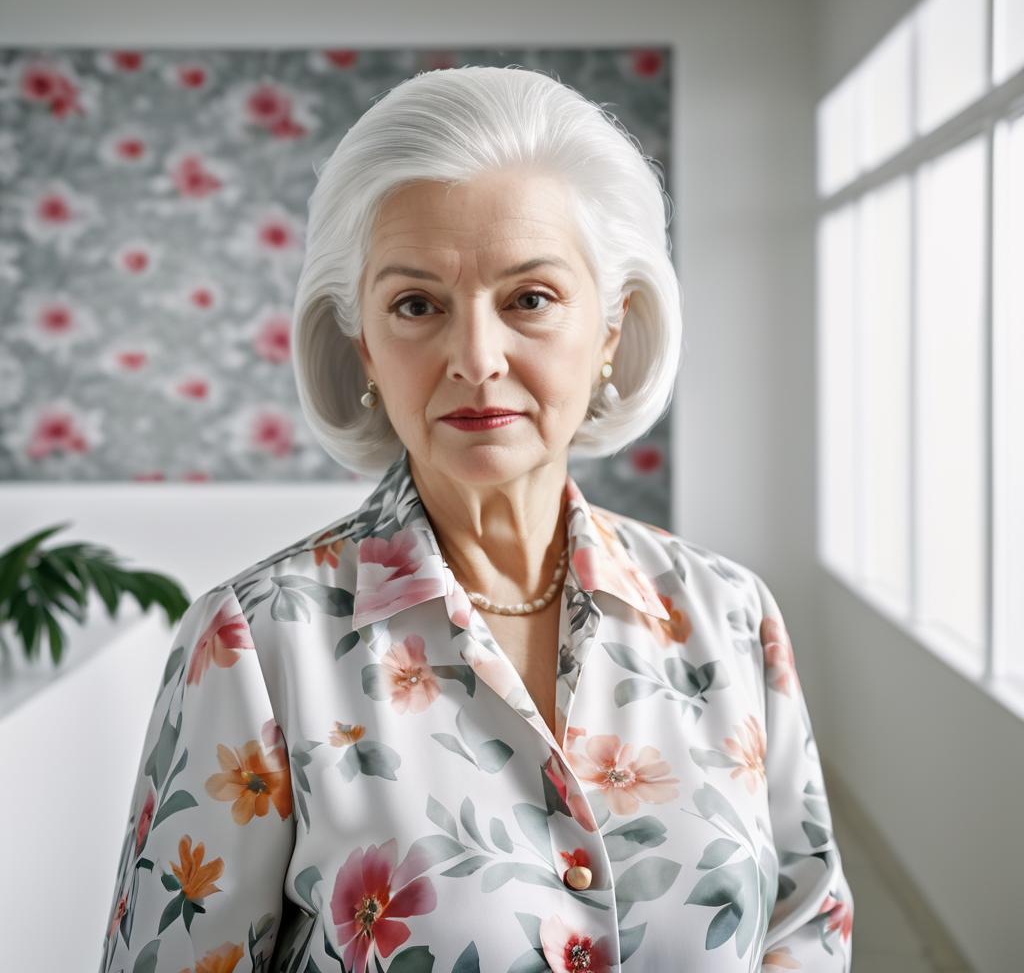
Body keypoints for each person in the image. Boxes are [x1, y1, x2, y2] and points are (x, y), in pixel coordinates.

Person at [100, 65, 854, 973]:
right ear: (364, 345)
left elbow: (805, 925)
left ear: (611, 327)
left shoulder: (732, 614)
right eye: (417, 305)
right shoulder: (251, 645)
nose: (476, 357)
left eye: (530, 299)